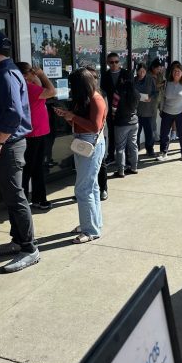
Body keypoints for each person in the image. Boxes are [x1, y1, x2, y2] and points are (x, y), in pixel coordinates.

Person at [0, 31, 39, 273]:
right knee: (10, 197)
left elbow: (14, 114)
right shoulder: (4, 72)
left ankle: (29, 249)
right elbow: (7, 107)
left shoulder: (6, 74)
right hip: (6, 145)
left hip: (7, 146)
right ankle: (18, 241)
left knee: (16, 197)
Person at [55, 69, 107, 243]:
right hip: (83, 142)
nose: (71, 88)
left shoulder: (96, 99)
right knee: (91, 187)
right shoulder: (85, 99)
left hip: (90, 144)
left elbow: (95, 126)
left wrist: (73, 117)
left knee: (83, 189)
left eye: (73, 85)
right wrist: (68, 117)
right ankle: (92, 223)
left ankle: (90, 229)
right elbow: (80, 122)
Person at [15, 63, 56, 209]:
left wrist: (34, 76)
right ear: (25, 75)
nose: (35, 74)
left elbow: (39, 86)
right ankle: (27, 200)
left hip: (36, 133)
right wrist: (42, 74)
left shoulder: (28, 87)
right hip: (33, 134)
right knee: (29, 168)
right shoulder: (29, 88)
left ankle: (36, 198)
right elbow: (52, 91)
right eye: (31, 71)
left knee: (35, 167)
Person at [157, 62, 182, 160]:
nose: (176, 73)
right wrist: (161, 108)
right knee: (164, 134)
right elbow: (163, 97)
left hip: (181, 112)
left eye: (178, 71)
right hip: (167, 111)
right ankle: (163, 153)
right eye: (174, 71)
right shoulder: (167, 83)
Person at [100, 53, 130, 163]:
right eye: (111, 62)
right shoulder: (105, 75)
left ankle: (126, 157)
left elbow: (131, 91)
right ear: (108, 63)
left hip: (124, 109)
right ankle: (111, 155)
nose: (114, 64)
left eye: (116, 62)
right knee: (112, 133)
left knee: (124, 134)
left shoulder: (126, 74)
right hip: (110, 109)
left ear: (119, 62)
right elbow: (103, 92)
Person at [86, 66, 109, 201]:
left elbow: (105, 113)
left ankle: (103, 188)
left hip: (99, 134)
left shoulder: (101, 94)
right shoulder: (82, 94)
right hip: (84, 134)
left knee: (101, 163)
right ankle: (87, 188)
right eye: (90, 77)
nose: (93, 80)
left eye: (95, 77)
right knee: (86, 165)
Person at [113, 77, 140, 178]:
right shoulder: (136, 93)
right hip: (134, 122)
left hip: (121, 123)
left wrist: (113, 117)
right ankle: (134, 168)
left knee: (120, 147)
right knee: (133, 145)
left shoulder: (118, 93)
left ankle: (121, 171)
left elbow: (114, 108)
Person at [135, 63, 157, 156]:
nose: (142, 73)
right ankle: (135, 150)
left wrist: (150, 98)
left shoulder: (150, 79)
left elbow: (155, 92)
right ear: (137, 71)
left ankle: (150, 149)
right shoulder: (134, 80)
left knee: (149, 132)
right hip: (136, 110)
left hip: (148, 110)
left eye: (143, 71)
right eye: (140, 71)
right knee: (136, 133)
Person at [149, 58, 166, 143]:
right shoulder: (148, 75)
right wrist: (162, 84)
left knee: (165, 115)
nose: (159, 70)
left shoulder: (160, 74)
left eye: (160, 69)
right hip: (153, 99)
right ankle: (154, 135)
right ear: (153, 68)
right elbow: (153, 87)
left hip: (160, 98)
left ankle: (164, 133)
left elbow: (163, 84)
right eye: (157, 69)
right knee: (153, 117)